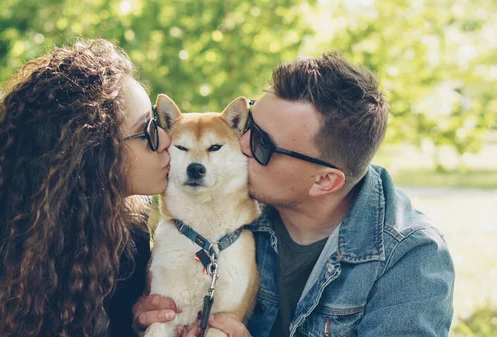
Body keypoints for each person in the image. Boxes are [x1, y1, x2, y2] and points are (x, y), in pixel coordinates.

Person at [134, 53, 455, 337]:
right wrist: (146, 319)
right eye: (249, 128)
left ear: (324, 181)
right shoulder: (229, 210)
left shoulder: (412, 260)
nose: (241, 145)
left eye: (264, 144)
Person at [0, 38, 171, 337]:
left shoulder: (129, 231)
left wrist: (135, 321)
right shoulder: (17, 247)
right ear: (94, 154)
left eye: (158, 123)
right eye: (147, 131)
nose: (166, 140)